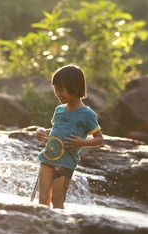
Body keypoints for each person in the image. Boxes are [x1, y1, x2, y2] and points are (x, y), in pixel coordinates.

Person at [35, 64, 103, 209]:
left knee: (57, 200)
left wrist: (82, 142)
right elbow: (55, 129)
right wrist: (42, 131)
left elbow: (99, 139)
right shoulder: (59, 110)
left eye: (61, 90)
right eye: (55, 89)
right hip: (47, 158)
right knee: (43, 198)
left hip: (65, 163)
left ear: (74, 87)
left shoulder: (87, 114)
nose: (58, 93)